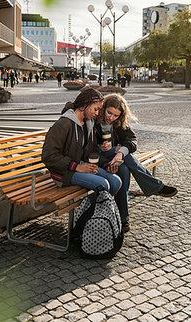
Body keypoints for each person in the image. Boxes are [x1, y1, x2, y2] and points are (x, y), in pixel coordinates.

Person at [95, 94, 178, 233]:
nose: (111, 117)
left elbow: (132, 140)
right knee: (126, 161)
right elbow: (86, 147)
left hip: (116, 158)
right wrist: (100, 148)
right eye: (109, 112)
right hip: (98, 160)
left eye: (115, 115)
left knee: (124, 170)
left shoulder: (118, 122)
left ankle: (123, 218)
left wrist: (121, 152)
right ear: (104, 108)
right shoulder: (94, 120)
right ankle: (154, 187)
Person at [42, 88, 123, 208]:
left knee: (116, 182)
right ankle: (89, 218)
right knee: (103, 184)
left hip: (81, 164)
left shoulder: (89, 123)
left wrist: (106, 165)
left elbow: (92, 151)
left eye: (99, 110)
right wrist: (76, 166)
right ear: (85, 104)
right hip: (63, 172)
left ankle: (97, 215)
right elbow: (48, 156)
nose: (97, 113)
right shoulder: (64, 124)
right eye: (95, 109)